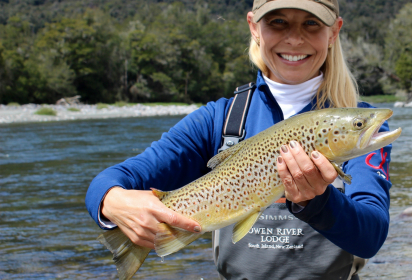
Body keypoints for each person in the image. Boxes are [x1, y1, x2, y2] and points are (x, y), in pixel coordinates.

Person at [85, 0, 394, 279]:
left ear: (334, 32)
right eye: (278, 22)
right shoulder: (217, 119)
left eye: (311, 23)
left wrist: (320, 202)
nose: (295, 38)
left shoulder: (360, 128)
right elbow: (117, 178)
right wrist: (110, 200)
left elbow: (371, 237)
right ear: (253, 27)